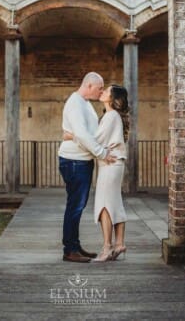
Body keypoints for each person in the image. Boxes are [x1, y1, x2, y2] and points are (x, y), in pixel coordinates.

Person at [64, 84, 129, 262]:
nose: (102, 92)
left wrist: (71, 136)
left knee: (104, 205)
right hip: (112, 164)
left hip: (110, 165)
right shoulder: (110, 117)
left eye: (106, 91)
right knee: (114, 202)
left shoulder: (111, 116)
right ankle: (119, 244)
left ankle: (107, 247)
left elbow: (93, 141)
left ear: (113, 99)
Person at [58, 72, 116, 263]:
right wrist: (102, 153)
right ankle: (70, 250)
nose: (101, 92)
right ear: (89, 85)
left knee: (77, 206)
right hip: (74, 162)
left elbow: (89, 133)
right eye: (100, 88)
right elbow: (83, 135)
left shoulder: (85, 104)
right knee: (75, 206)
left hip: (81, 160)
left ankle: (75, 246)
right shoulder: (75, 104)